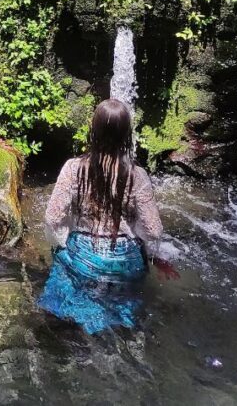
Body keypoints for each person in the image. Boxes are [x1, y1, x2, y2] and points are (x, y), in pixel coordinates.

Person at [38, 98, 179, 334]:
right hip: (125, 264)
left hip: (82, 259)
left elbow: (53, 217)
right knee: (123, 319)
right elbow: (153, 231)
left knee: (60, 306)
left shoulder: (74, 168)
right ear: (127, 136)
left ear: (93, 130)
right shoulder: (138, 175)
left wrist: (63, 242)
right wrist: (155, 259)